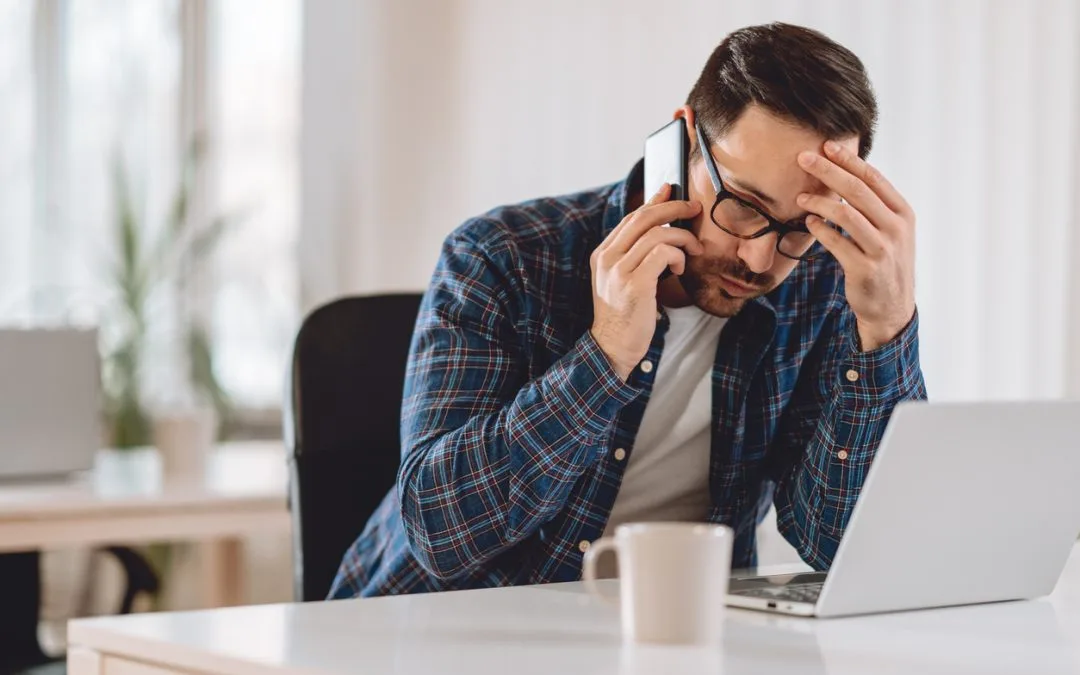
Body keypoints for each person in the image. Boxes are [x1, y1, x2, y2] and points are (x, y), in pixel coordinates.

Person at [329, 22, 926, 599]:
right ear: (684, 141)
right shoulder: (502, 255)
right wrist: (607, 351)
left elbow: (841, 544)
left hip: (668, 634)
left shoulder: (822, 283)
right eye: (743, 205)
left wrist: (886, 329)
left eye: (800, 226)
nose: (760, 256)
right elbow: (441, 533)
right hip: (427, 633)